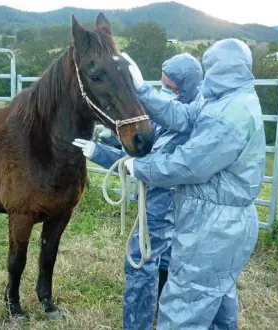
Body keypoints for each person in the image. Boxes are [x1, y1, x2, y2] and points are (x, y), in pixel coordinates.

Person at [122, 38, 265, 329]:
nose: (207, 74)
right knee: (217, 298)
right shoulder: (226, 98)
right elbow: (184, 116)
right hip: (224, 225)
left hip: (214, 228)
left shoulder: (230, 115)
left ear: (222, 70)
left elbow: (190, 164)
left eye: (210, 67)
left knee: (183, 306)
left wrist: (141, 167)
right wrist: (142, 91)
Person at [73, 52, 204, 330]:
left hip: (162, 204)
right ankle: (160, 306)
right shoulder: (169, 113)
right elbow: (142, 149)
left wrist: (99, 153)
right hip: (167, 204)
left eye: (170, 87)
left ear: (185, 88)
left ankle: (137, 323)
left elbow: (148, 165)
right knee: (166, 255)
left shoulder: (186, 124)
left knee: (141, 262)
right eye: (162, 83)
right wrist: (113, 141)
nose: (163, 91)